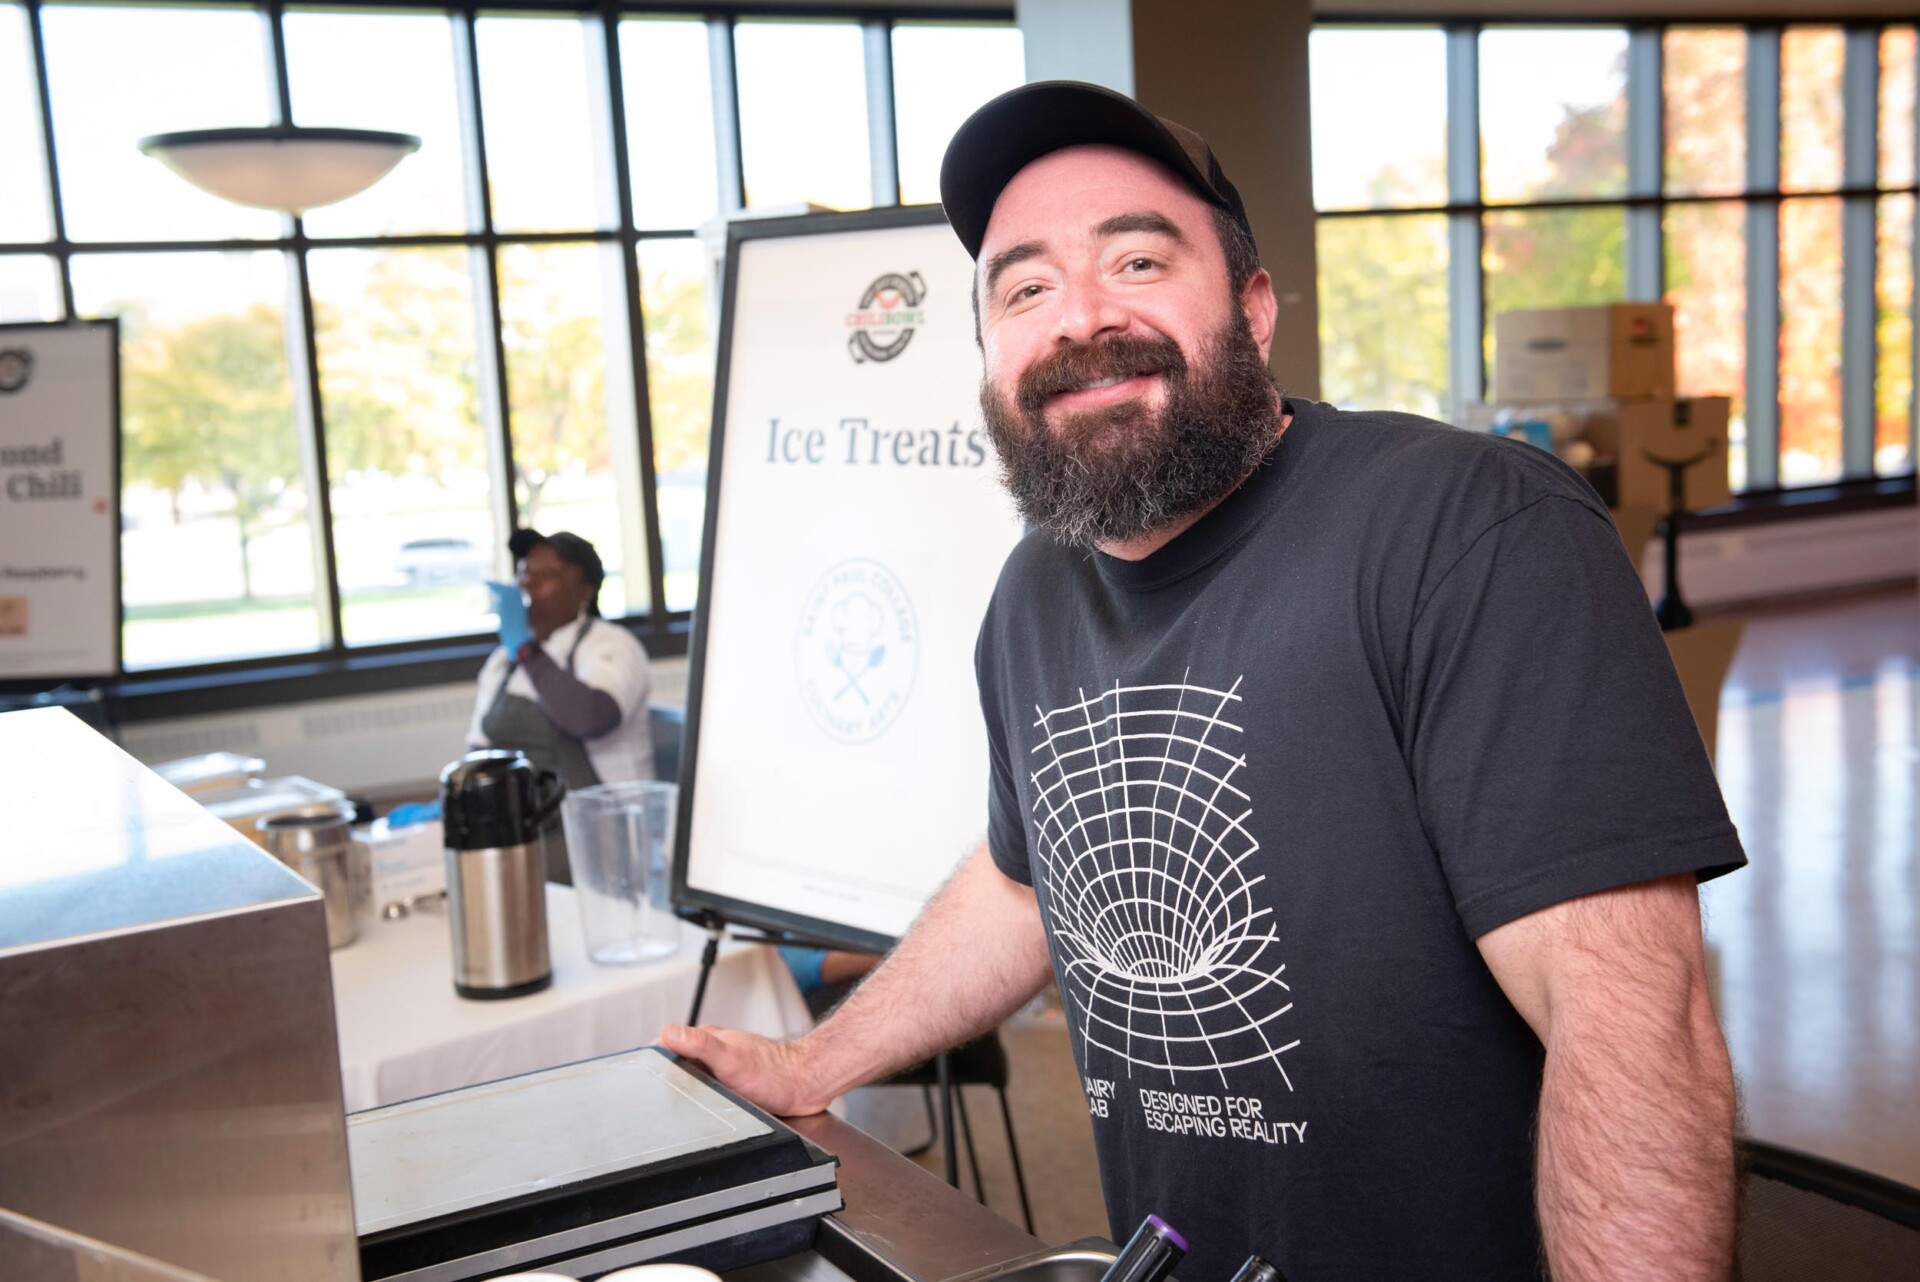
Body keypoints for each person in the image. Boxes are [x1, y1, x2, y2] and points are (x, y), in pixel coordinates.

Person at [663, 81, 1743, 1281]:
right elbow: (1028, 886)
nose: (1078, 318)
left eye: (1135, 260)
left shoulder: (1472, 531)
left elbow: (1632, 1024)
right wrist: (815, 1064)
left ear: (1256, 306)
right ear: (986, 359)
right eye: (1024, 288)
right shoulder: (1034, 591)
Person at [468, 529, 655, 878]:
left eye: (547, 577)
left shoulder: (610, 646)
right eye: (524, 573)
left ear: (584, 592)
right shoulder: (503, 661)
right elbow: (480, 747)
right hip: (525, 829)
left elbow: (590, 717)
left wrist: (528, 652)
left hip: (605, 834)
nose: (527, 586)